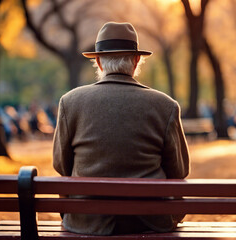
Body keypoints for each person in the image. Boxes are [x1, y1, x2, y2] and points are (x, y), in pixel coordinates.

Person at [52, 22, 190, 236]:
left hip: (87, 223)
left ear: (98, 61)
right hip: (149, 223)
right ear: (136, 61)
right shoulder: (166, 106)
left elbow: (61, 165)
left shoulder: (70, 102)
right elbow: (179, 171)